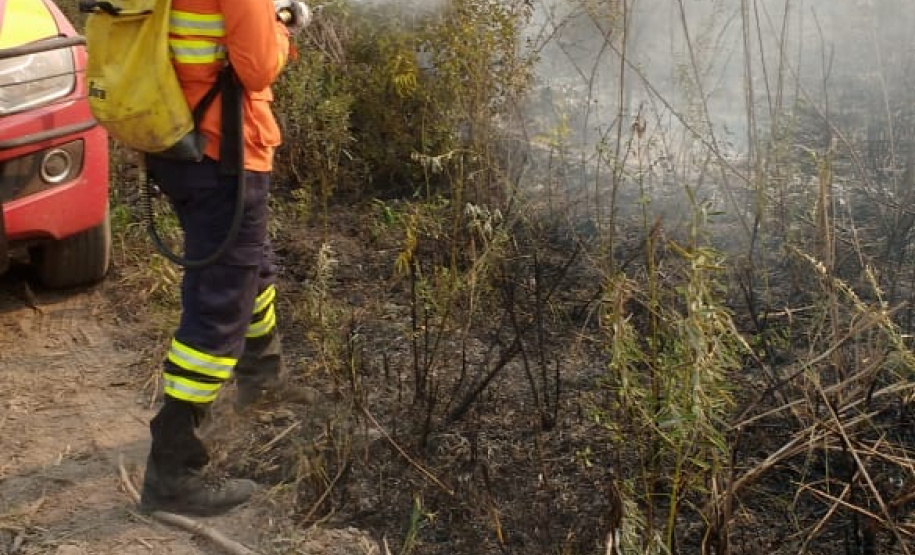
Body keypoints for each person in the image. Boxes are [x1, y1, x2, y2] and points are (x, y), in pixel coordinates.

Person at [138, 0, 311, 516]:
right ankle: (172, 472)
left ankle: (261, 380)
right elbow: (258, 66)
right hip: (224, 150)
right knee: (218, 310)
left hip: (176, 140)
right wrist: (282, 23)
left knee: (249, 268)